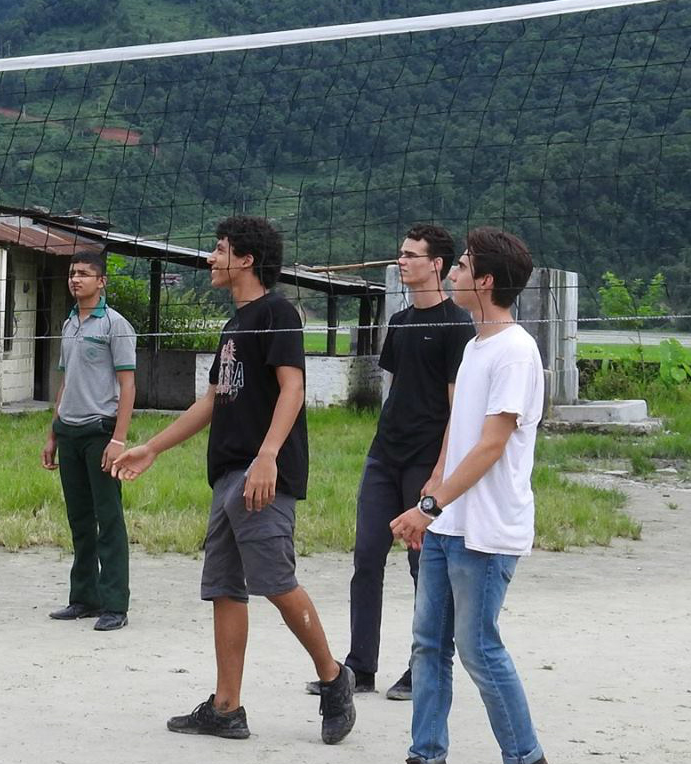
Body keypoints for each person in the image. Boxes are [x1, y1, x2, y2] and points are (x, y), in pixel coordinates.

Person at [109, 216, 357, 745]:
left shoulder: (277, 313)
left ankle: (335, 677)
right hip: (226, 475)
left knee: (276, 582)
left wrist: (267, 457)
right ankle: (226, 708)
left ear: (245, 259)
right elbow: (210, 402)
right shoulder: (233, 325)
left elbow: (293, 390)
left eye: (219, 250)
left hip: (261, 475)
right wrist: (152, 446)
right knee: (225, 588)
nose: (210, 258)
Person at [390, 226, 549, 764]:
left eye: (460, 265)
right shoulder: (475, 345)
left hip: (485, 531)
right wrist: (429, 498)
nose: (451, 272)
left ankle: (526, 756)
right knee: (428, 646)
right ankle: (425, 753)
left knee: (478, 649)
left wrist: (430, 506)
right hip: (446, 524)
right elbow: (457, 438)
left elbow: (489, 448)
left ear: (483, 281)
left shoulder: (516, 351)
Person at [311, 224, 473, 702]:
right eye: (400, 254)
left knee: (423, 565)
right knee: (366, 558)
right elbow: (395, 390)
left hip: (425, 461)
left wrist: (438, 474)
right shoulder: (399, 321)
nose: (402, 262)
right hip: (384, 454)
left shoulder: (456, 324)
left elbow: (457, 409)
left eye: (411, 255)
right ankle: (359, 667)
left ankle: (421, 669)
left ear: (436, 265)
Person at [43, 250, 136, 632]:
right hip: (69, 431)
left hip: (100, 431)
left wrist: (119, 439)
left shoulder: (115, 326)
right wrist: (52, 432)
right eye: (71, 273)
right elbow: (65, 383)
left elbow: (128, 387)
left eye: (84, 273)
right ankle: (84, 597)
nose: (75, 279)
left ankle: (115, 603)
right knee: (79, 519)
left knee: (108, 518)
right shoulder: (69, 325)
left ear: (102, 282)